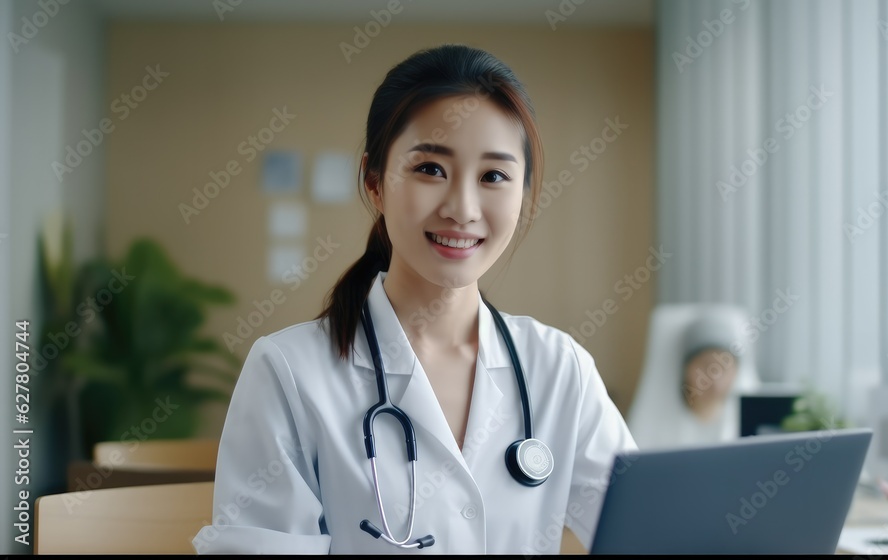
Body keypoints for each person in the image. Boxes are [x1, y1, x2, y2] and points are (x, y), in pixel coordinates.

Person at [192, 44, 636, 555]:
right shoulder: (288, 372)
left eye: (493, 176)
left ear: (523, 194)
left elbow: (655, 532)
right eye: (430, 168)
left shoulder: (561, 371)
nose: (462, 209)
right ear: (375, 182)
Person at [628, 309, 760, 450]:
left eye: (725, 367)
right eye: (706, 366)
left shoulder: (750, 425)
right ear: (686, 368)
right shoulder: (652, 425)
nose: (716, 379)